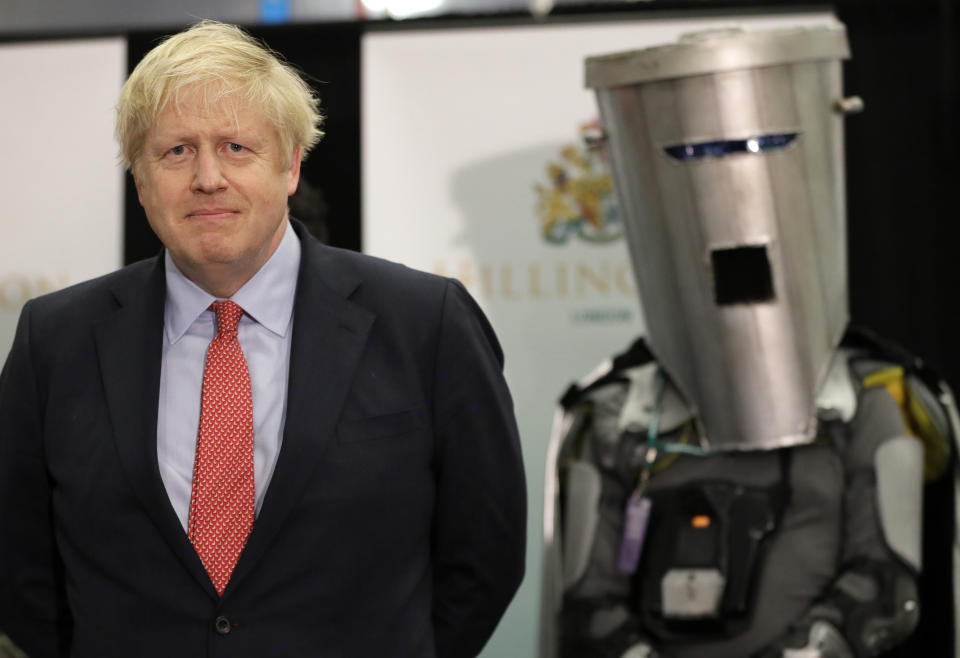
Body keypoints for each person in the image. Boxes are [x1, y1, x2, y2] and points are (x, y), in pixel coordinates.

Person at [0, 20, 526, 658]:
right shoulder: (54, 341)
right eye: (176, 152)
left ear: (291, 165)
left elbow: (486, 554)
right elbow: (17, 564)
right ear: (140, 181)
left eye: (236, 147)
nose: (207, 178)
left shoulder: (426, 323)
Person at [541, 24, 957, 658]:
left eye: (766, 143)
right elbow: (585, 603)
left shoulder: (868, 398)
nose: (725, 179)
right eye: (689, 153)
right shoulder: (614, 414)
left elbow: (885, 585)